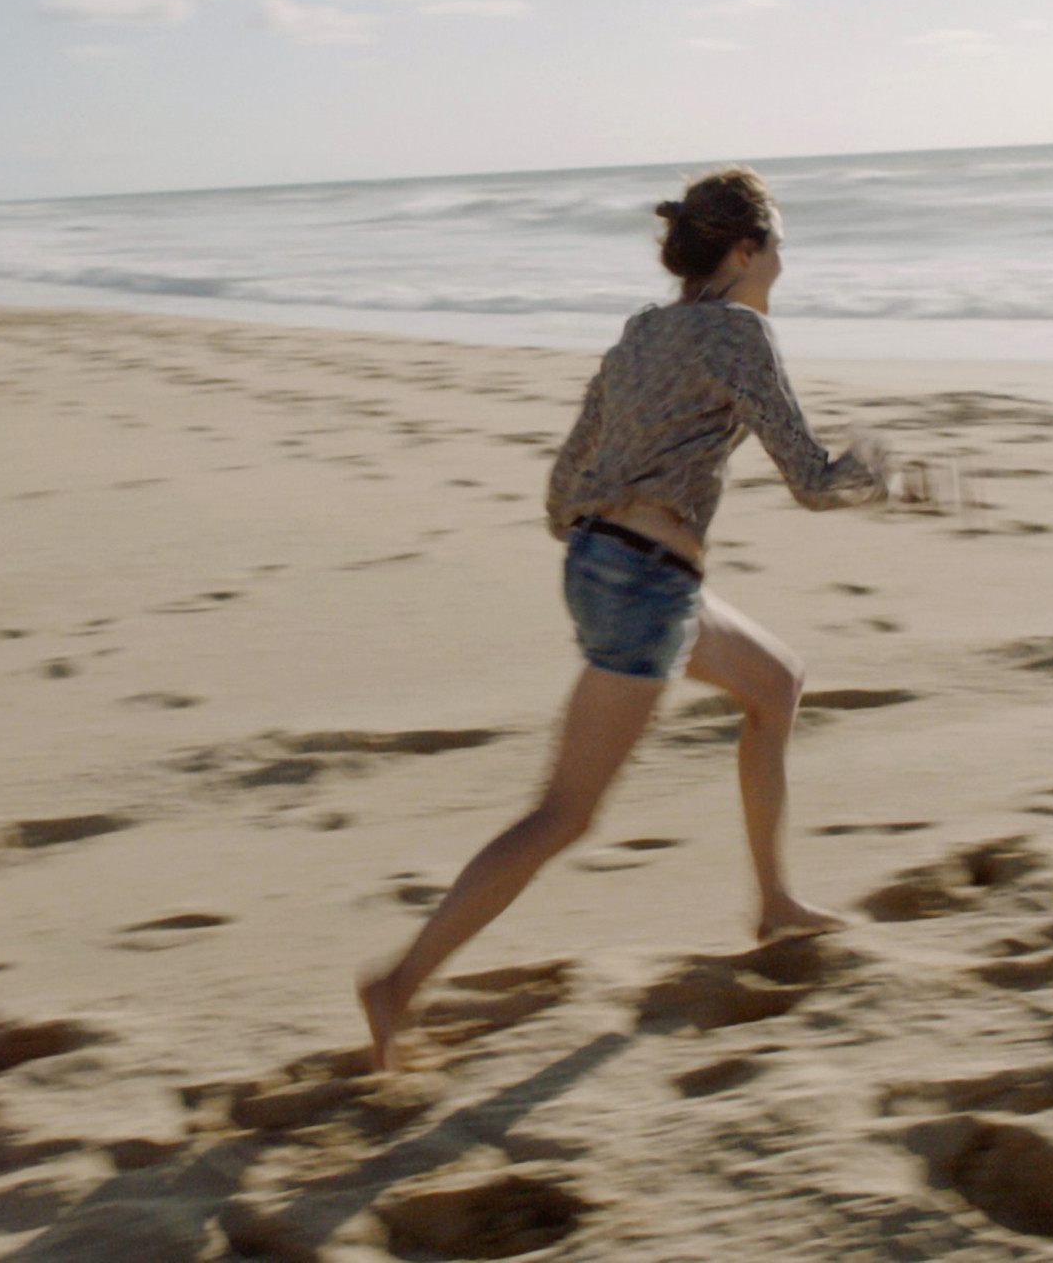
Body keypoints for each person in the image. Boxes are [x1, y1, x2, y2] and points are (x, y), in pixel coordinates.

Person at [359, 167, 895, 1071]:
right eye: (779, 244)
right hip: (647, 587)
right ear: (746, 250)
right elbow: (810, 480)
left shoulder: (643, 331)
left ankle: (775, 903)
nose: (783, 260)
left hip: (609, 567)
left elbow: (568, 473)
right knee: (564, 813)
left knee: (775, 684)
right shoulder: (740, 333)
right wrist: (877, 469)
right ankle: (399, 983)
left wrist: (607, 539)